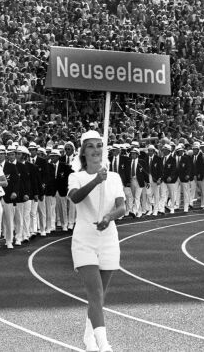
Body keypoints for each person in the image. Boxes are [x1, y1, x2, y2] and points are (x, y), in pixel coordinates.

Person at [68, 130, 125, 352]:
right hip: (84, 239)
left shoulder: (115, 177)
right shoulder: (76, 176)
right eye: (90, 146)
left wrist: (109, 217)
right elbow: (75, 197)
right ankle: (104, 345)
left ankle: (88, 336)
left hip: (109, 238)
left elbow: (121, 207)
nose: (95, 150)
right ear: (83, 151)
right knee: (95, 294)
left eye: (99, 145)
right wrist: (95, 181)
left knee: (99, 298)